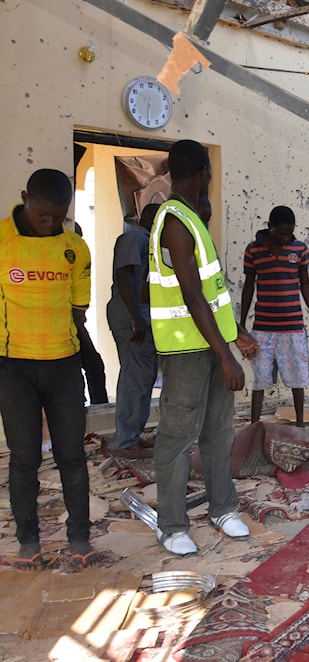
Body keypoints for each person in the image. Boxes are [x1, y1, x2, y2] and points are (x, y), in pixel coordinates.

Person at [148, 139, 258, 556]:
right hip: (187, 350)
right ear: (202, 174)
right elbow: (192, 297)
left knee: (218, 431)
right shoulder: (175, 220)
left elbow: (214, 294)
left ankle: (222, 509)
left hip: (210, 344)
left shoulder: (193, 219)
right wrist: (226, 355)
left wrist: (235, 334)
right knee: (178, 436)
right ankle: (172, 525)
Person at [0, 169, 98, 569]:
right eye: (43, 215)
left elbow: (79, 309)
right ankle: (28, 541)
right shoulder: (2, 241)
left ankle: (80, 538)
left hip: (62, 365)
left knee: (72, 455)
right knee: (24, 457)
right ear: (25, 198)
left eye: (58, 216)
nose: (51, 223)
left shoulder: (75, 248)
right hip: (13, 366)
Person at [240, 205, 309, 427]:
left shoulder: (300, 249)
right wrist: (241, 323)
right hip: (263, 328)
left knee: (298, 379)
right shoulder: (253, 251)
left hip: (292, 328)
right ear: (270, 227)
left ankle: (300, 424)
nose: (285, 238)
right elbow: (248, 286)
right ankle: (254, 426)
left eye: (289, 233)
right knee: (259, 381)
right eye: (280, 233)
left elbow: (305, 286)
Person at [105, 204, 159, 459]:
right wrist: (136, 317)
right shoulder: (135, 236)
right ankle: (124, 441)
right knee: (134, 378)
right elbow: (124, 275)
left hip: (140, 316)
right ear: (148, 217)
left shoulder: (149, 240)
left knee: (143, 377)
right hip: (131, 317)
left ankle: (133, 435)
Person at [66, 219, 109, 405]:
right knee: (74, 372)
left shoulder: (78, 260)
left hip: (75, 324)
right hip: (61, 327)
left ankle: (99, 407)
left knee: (94, 366)